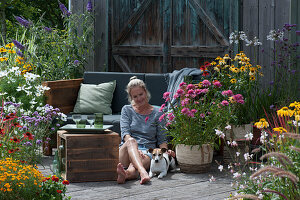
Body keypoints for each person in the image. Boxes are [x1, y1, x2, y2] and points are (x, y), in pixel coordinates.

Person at [117, 76, 175, 184]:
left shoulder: (158, 112)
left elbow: (162, 139)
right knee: (131, 141)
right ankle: (143, 172)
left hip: (147, 152)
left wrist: (166, 152)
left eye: (141, 94)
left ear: (146, 92)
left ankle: (126, 174)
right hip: (126, 150)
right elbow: (125, 134)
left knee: (135, 166)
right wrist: (135, 149)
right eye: (135, 96)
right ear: (131, 97)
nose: (139, 98)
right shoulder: (126, 110)